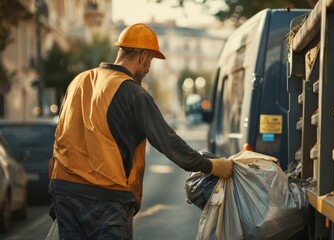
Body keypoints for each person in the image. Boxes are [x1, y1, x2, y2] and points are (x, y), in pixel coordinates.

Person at [48, 23, 233, 239]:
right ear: (143, 56)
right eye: (151, 61)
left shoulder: (79, 81)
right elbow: (168, 142)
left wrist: (55, 193)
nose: (149, 68)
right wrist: (212, 166)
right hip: (107, 198)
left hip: (65, 193)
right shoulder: (133, 93)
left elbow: (60, 136)